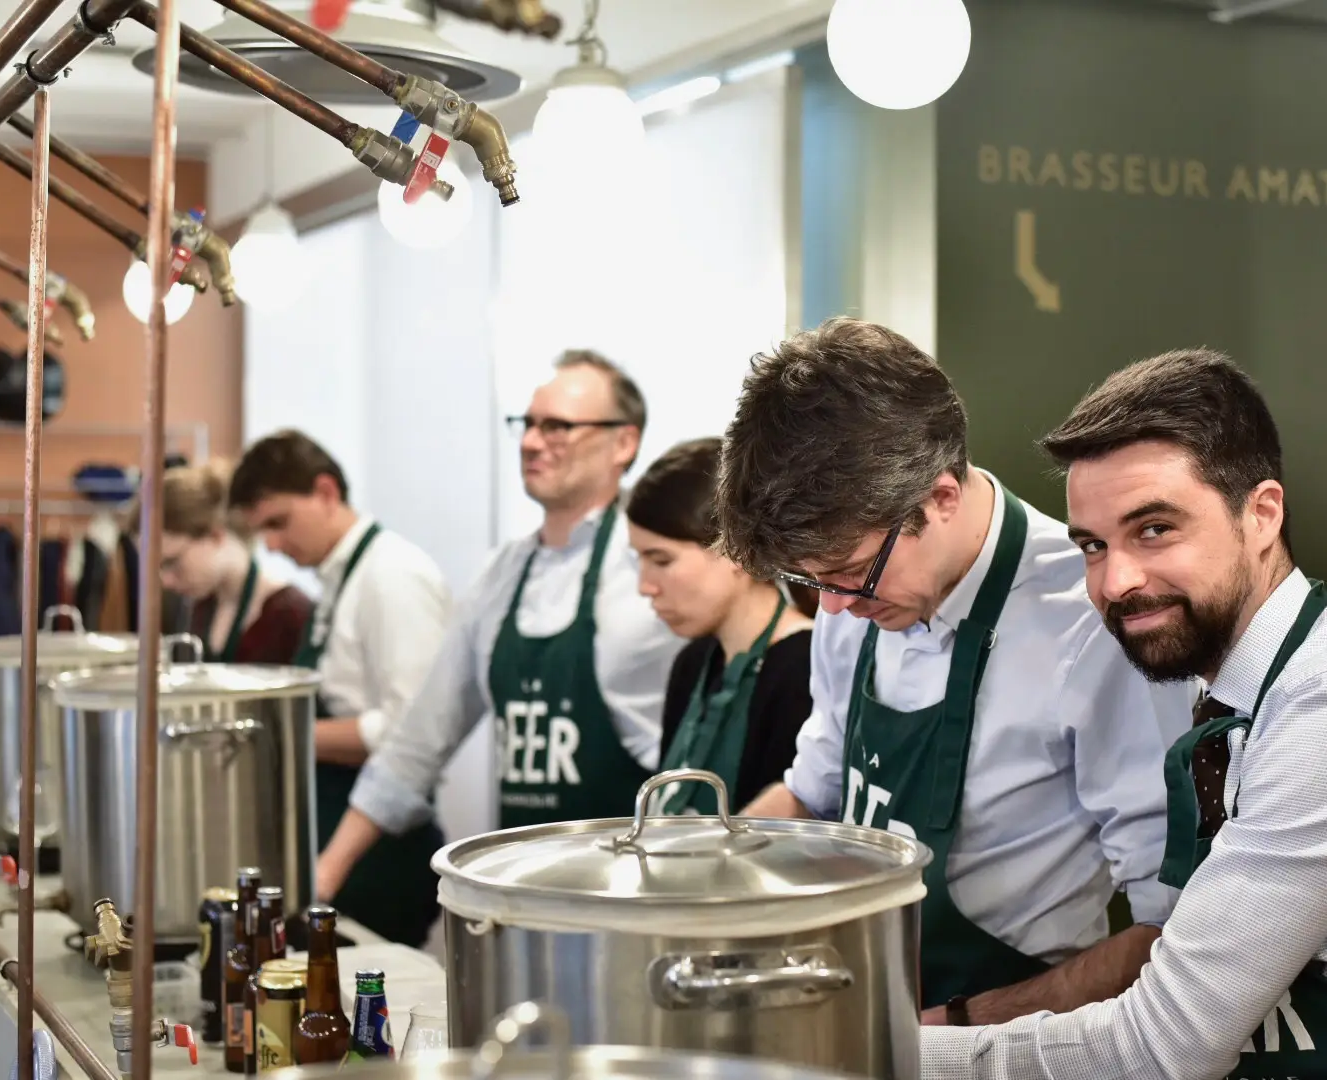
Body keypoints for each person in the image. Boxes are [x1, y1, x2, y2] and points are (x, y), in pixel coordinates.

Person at [922, 348, 1327, 1079]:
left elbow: (1161, 1049)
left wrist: (886, 1053)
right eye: (1093, 545)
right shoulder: (1220, 696)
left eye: (1154, 529)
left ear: (1263, 514)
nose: (1116, 582)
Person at [714, 317, 1194, 1024]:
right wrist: (687, 883)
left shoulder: (1094, 620)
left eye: (850, 574)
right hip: (853, 1010)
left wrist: (951, 1034)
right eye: (813, 583)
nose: (836, 610)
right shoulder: (855, 599)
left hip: (1008, 1042)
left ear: (940, 497)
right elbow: (812, 796)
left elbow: (1169, 935)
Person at [316, 351, 685, 896]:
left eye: (557, 426)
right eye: (528, 425)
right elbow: (420, 738)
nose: (532, 442)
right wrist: (325, 874)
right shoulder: (502, 575)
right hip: (529, 890)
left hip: (640, 894)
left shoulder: (653, 571)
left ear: (623, 443)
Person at [228, 430, 451, 947]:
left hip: (383, 852)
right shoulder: (338, 576)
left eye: (278, 523)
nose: (273, 546)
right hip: (337, 830)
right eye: (261, 531)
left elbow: (410, 731)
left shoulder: (393, 575)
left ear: (326, 492)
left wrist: (284, 734)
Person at [626, 437, 814, 814]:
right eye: (640, 560)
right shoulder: (692, 664)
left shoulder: (805, 668)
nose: (645, 586)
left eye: (661, 561)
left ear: (737, 548)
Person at [134, 460, 313, 664]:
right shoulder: (200, 608)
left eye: (172, 562)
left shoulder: (293, 615)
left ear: (215, 536)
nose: (165, 581)